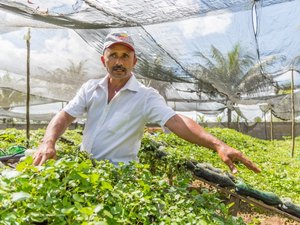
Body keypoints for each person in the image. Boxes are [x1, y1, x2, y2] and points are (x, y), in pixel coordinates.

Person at [33, 31, 261, 174]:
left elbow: (177, 120)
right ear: (104, 60)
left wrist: (217, 144)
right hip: (82, 169)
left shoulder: (145, 96)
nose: (119, 62)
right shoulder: (91, 88)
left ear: (135, 61)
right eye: (113, 55)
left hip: (118, 177)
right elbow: (64, 115)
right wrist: (48, 141)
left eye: (125, 56)